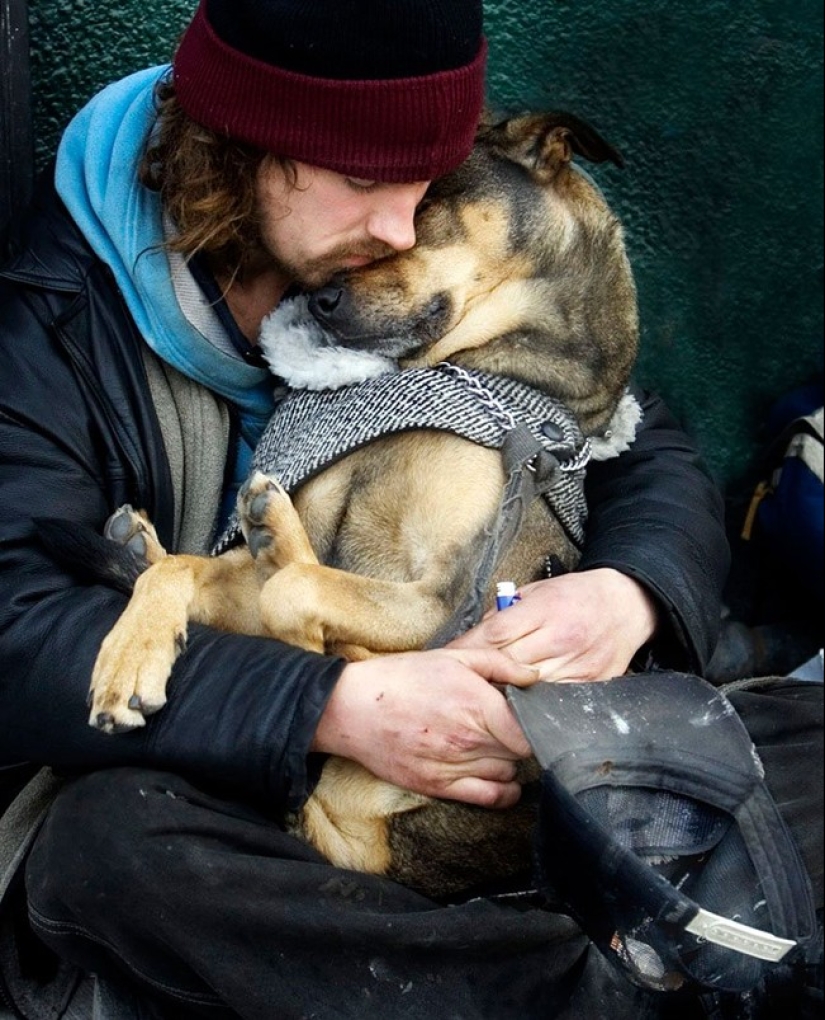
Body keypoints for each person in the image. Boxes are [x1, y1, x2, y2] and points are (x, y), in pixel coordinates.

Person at [2, 1, 809, 1018]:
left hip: (500, 754)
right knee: (103, 852)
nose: (398, 225)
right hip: (236, 770)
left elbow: (646, 440)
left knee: (789, 740)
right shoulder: (52, 329)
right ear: (245, 146)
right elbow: (14, 632)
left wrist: (630, 592)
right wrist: (334, 710)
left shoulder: (392, 248)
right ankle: (586, 986)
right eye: (364, 183)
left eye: (426, 191)